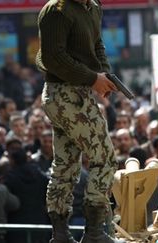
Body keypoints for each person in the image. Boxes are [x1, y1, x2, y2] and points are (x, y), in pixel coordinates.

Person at [35, 0, 123, 242]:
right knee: (104, 158)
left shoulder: (93, 7)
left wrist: (104, 75)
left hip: (77, 93)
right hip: (63, 93)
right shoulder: (57, 10)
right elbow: (53, 58)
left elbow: (97, 44)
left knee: (66, 164)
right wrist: (92, 78)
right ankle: (93, 232)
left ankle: (61, 234)